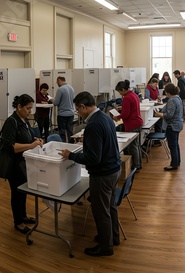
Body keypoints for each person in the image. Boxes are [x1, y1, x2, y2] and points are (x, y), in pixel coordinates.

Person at [59, 91, 121, 257]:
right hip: (114, 169)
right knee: (110, 207)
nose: (77, 113)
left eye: (77, 110)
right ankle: (112, 237)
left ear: (83, 107)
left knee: (101, 212)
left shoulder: (93, 125)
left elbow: (93, 158)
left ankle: (105, 247)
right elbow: (104, 139)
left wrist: (70, 155)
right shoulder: (105, 116)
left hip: (103, 174)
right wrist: (86, 140)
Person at [1, 94, 44, 234]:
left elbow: (28, 137)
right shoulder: (11, 122)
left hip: (24, 163)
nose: (29, 111)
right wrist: (31, 145)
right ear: (19, 107)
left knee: (23, 191)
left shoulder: (24, 120)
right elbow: (10, 146)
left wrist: (36, 140)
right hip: (14, 165)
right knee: (17, 193)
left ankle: (23, 215)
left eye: (31, 108)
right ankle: (18, 222)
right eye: (27, 108)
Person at [113, 80, 143, 172]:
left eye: (119, 91)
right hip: (138, 122)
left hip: (132, 124)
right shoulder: (134, 95)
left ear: (123, 89)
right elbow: (132, 107)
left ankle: (136, 166)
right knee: (137, 145)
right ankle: (139, 164)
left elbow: (126, 114)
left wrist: (116, 117)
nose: (119, 94)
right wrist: (122, 107)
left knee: (132, 146)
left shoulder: (126, 98)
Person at [154, 83, 183, 171]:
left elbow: (169, 115)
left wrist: (159, 114)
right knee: (175, 144)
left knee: (172, 146)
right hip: (177, 124)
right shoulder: (177, 98)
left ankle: (173, 164)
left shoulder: (172, 100)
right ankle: (177, 161)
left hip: (172, 126)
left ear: (168, 92)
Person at [52, 76, 75, 143]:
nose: (57, 84)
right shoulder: (71, 88)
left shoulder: (60, 89)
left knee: (62, 132)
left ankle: (63, 145)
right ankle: (71, 144)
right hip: (71, 113)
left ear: (59, 80)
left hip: (62, 114)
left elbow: (56, 103)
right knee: (69, 131)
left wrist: (52, 100)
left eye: (57, 82)